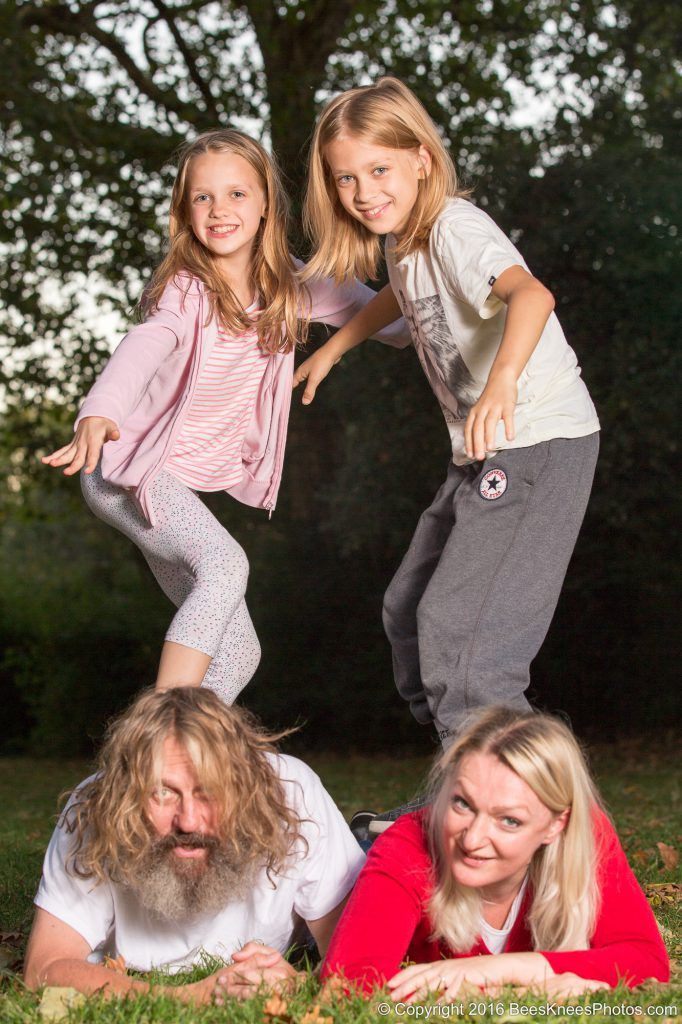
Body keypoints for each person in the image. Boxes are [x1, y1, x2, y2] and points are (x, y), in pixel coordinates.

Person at [42, 128, 408, 703]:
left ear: (266, 205)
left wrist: (441, 289)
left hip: (166, 483)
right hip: (122, 469)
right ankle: (160, 740)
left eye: (237, 194)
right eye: (202, 197)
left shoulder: (294, 286)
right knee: (224, 565)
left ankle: (155, 774)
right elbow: (145, 344)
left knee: (240, 649)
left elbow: (392, 321)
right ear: (185, 213)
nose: (219, 210)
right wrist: (99, 409)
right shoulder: (185, 290)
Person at [294, 78, 601, 748]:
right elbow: (398, 301)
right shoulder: (404, 245)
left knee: (461, 625)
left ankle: (498, 791)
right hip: (485, 450)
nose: (364, 192)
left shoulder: (455, 228)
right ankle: (464, 770)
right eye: (346, 179)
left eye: (379, 170)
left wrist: (501, 386)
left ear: (421, 160)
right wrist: (337, 347)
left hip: (538, 438)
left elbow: (532, 296)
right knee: (408, 608)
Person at [24, 686, 365, 1004]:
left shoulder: (292, 793)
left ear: (244, 788)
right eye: (162, 793)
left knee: (385, 853)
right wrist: (192, 996)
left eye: (209, 792)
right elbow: (43, 969)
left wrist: (299, 982)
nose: (188, 821)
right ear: (127, 797)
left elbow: (359, 953)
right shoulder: (97, 807)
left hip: (315, 910)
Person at [321, 706, 670, 999]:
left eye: (509, 821)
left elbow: (645, 961)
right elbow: (349, 981)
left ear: (555, 825)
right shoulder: (409, 843)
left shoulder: (584, 834)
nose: (473, 840)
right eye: (462, 803)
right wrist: (542, 982)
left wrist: (502, 969)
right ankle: (366, 834)